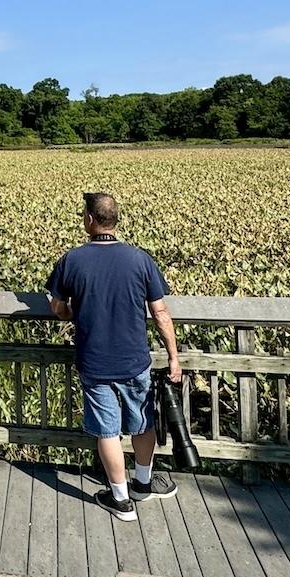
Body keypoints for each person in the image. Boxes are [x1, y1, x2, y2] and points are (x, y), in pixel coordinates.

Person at [46, 192, 182, 522]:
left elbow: (58, 306)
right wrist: (174, 357)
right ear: (114, 220)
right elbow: (160, 313)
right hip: (134, 357)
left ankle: (120, 499)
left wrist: (69, 311)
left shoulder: (72, 260)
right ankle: (143, 483)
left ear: (90, 220)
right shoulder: (140, 259)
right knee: (143, 420)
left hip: (94, 360)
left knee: (107, 430)